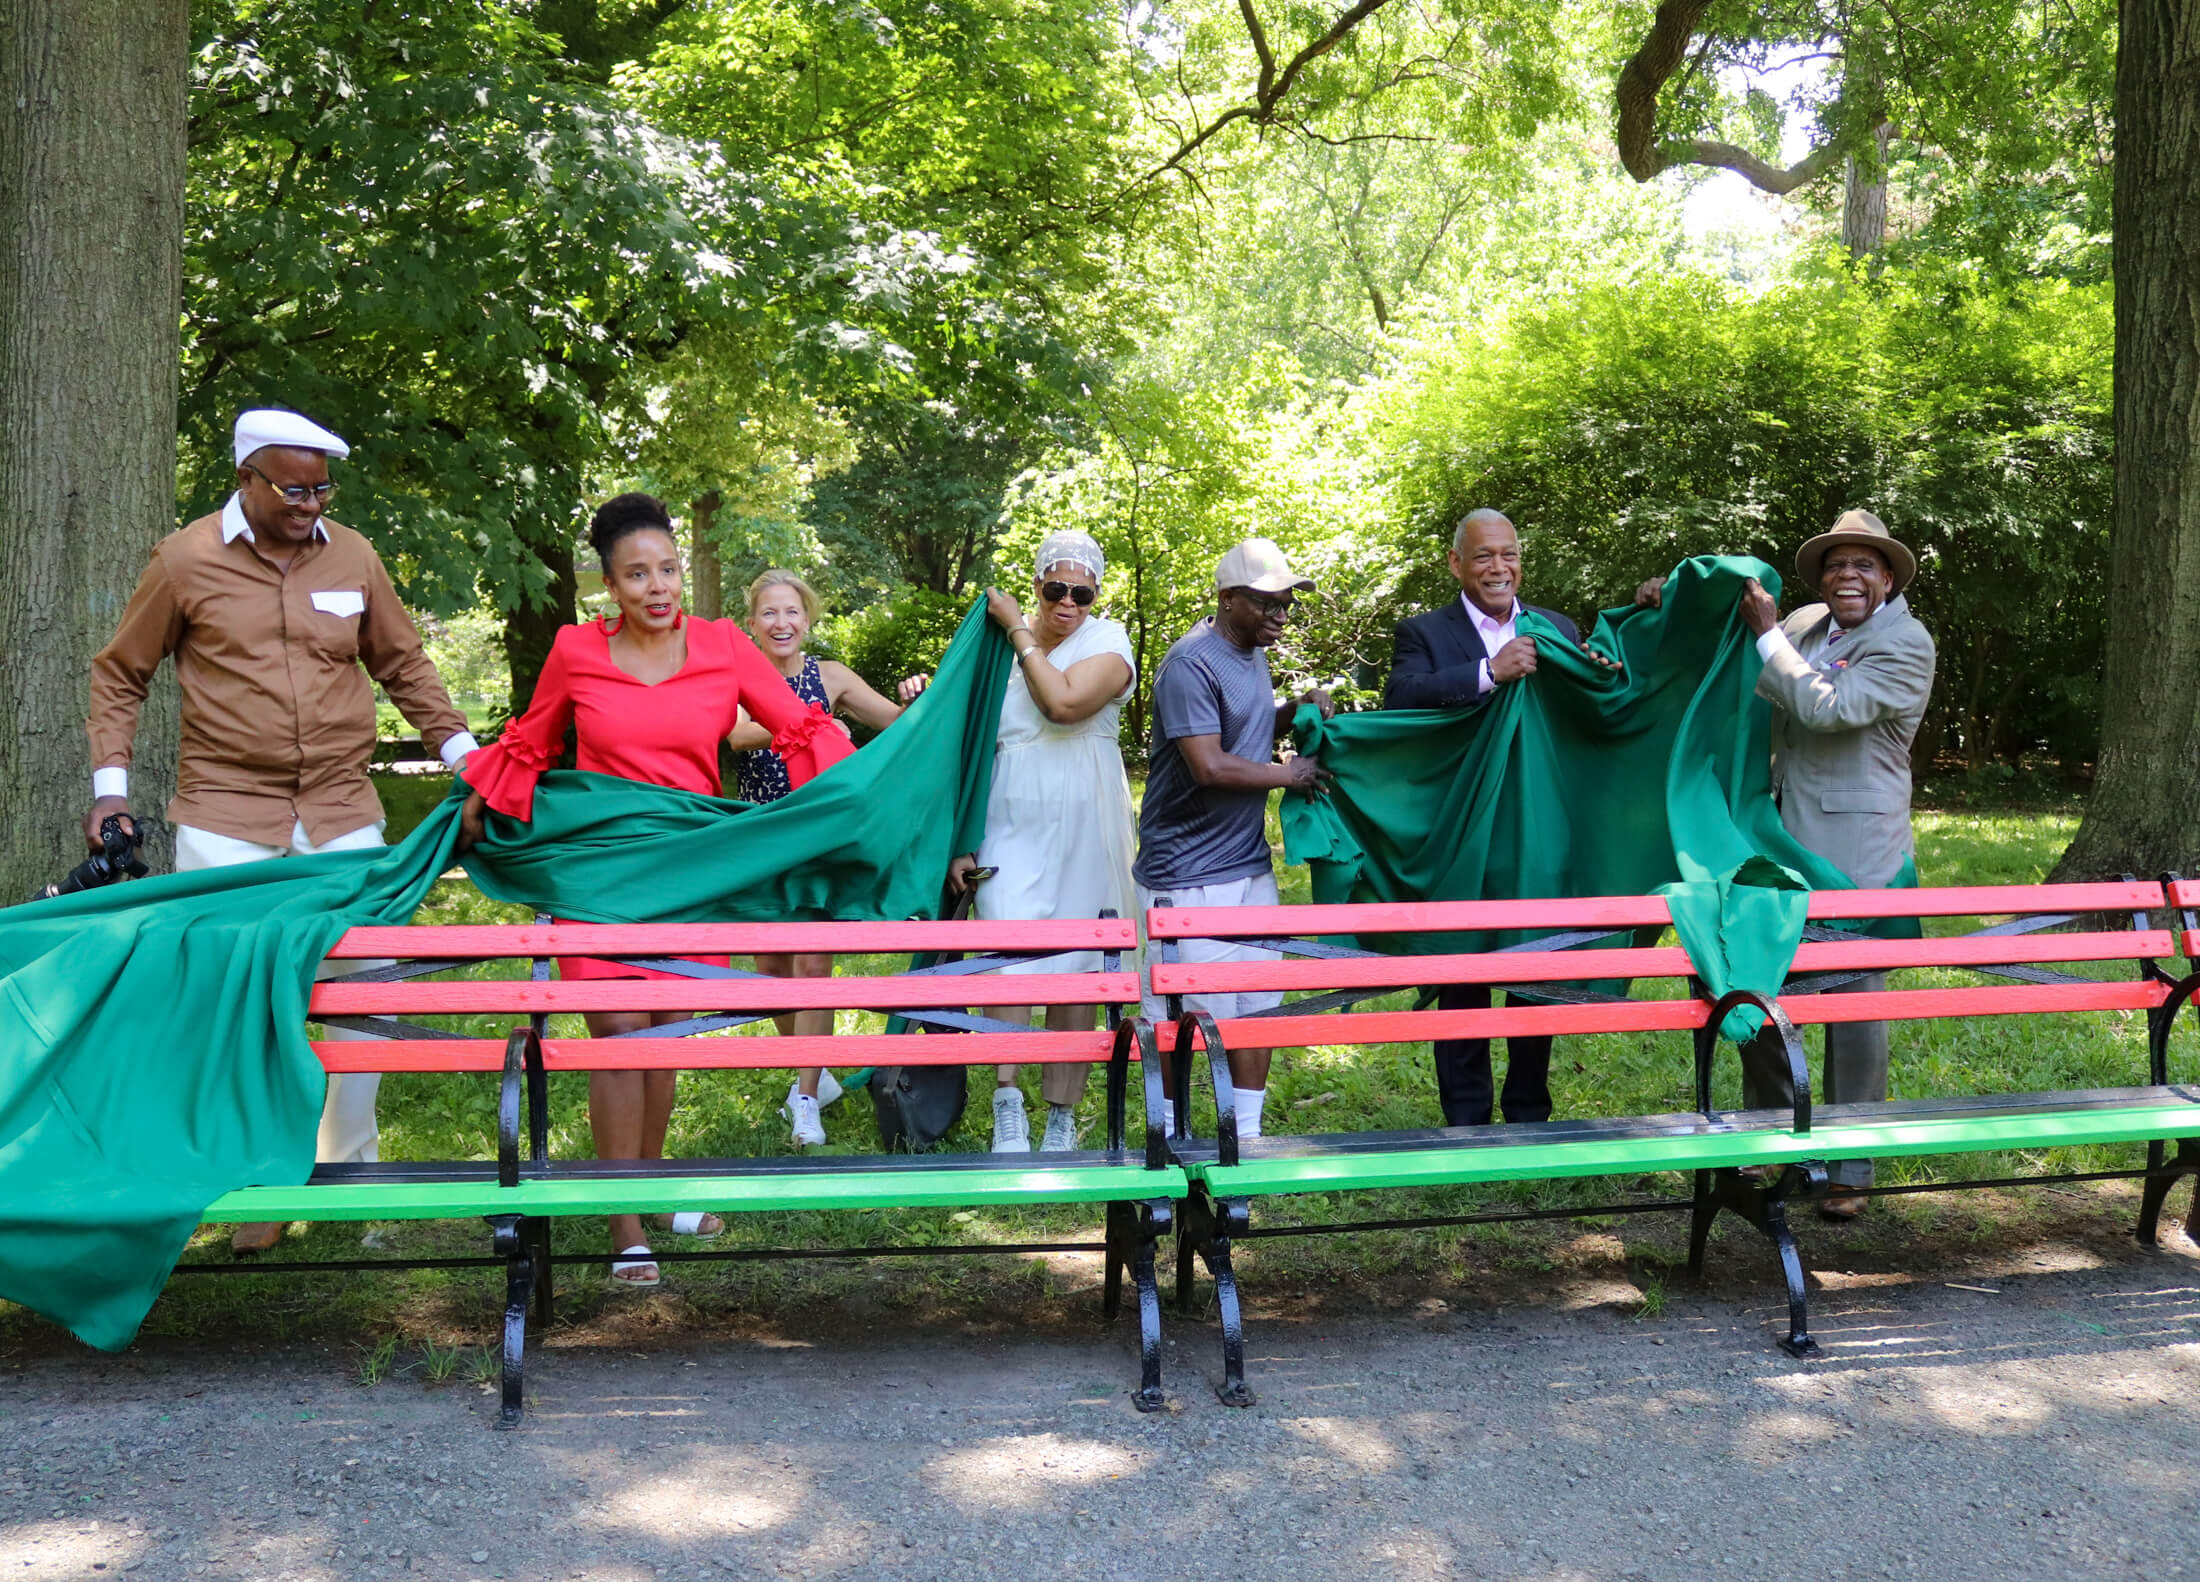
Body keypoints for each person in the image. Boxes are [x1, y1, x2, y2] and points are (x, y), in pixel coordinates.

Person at [86, 408, 481, 1254]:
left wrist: (467, 758)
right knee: (235, 1002)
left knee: (369, 988)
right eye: (294, 487)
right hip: (227, 813)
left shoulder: (354, 555)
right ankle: (255, 1182)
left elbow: (403, 663)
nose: (312, 503)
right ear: (247, 479)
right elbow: (122, 673)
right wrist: (109, 790)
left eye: (322, 487)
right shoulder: (184, 559)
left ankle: (353, 1173)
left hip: (342, 808)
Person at [456, 494, 855, 1287]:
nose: (658, 586)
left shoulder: (721, 646)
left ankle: (652, 1185)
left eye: (668, 569)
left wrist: (864, 803)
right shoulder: (575, 651)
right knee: (621, 1031)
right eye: (637, 574)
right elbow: (530, 743)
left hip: (687, 866)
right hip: (600, 869)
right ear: (609, 585)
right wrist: (467, 817)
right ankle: (625, 1227)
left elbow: (801, 728)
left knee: (663, 1034)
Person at [1638, 509, 1936, 1219]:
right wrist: (1675, 600)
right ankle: (1770, 1141)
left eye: (1864, 565)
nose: (1848, 576)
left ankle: (1851, 1170)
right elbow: (1735, 635)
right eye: (1836, 565)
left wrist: (1768, 633)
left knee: (1856, 1006)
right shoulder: (1805, 623)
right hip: (1776, 842)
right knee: (1761, 984)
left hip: (1859, 849)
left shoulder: (1905, 642)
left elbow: (1829, 708)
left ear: (1887, 577)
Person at [1384, 507, 1587, 1128]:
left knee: (1535, 961)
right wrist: (1487, 673)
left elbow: (1597, 702)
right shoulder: (1424, 631)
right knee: (1464, 964)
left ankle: (1529, 1113)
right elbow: (1402, 696)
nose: (1499, 567)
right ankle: (1466, 1119)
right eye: (1483, 556)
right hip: (1463, 828)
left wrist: (1653, 614)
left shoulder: (1556, 627)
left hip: (1537, 829)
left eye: (1509, 554)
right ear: (1456, 564)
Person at [940, 532, 1139, 1153]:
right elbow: (964, 747)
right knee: (1013, 955)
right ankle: (1007, 1100)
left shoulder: (1108, 642)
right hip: (1009, 815)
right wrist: (960, 841)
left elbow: (1064, 703)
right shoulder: (992, 651)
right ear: (1037, 585)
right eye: (1057, 589)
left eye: (1082, 592)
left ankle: (1061, 1111)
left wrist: (1018, 633)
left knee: (1075, 964)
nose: (1068, 603)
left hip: (1085, 814)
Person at [1135, 538, 1332, 1142]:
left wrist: (1294, 709)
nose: (1281, 615)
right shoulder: (1190, 663)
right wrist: (1288, 773)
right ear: (1228, 600)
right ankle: (1163, 1138)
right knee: (1187, 1018)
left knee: (1258, 1008)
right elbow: (1210, 766)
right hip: (1188, 876)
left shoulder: (1250, 651)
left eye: (1288, 603)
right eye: (1268, 602)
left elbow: (1243, 723)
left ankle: (1245, 1137)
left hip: (1248, 864)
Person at [729, 569, 924, 1147]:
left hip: (819, 839)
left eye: (792, 612)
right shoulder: (740, 677)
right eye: (769, 613)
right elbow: (736, 736)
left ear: (807, 620)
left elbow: (897, 724)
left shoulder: (830, 676)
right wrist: (808, 727)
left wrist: (920, 694)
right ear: (753, 625)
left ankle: (806, 1094)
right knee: (771, 977)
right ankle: (820, 1070)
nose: (781, 623)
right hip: (762, 837)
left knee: (812, 966)